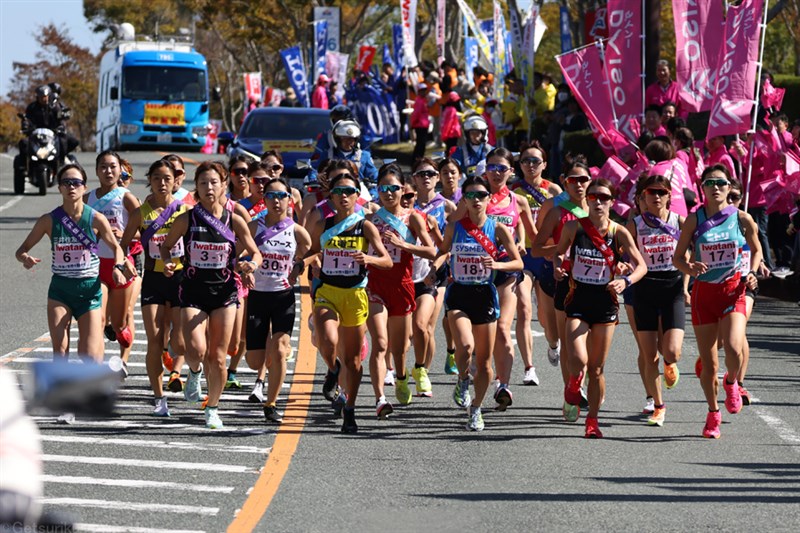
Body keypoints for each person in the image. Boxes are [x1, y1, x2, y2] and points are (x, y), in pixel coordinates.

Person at [159, 161, 263, 429]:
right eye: (203, 183)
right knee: (195, 349)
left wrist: (250, 264)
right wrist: (169, 262)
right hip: (193, 289)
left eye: (214, 182)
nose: (208, 188)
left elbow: (256, 252)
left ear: (223, 185)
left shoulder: (235, 219)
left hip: (225, 291)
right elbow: (166, 246)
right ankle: (193, 372)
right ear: (196, 187)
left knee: (218, 355)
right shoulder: (187, 218)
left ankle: (213, 407)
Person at [673, 165, 762, 439]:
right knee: (709, 364)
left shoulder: (742, 218)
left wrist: (752, 273)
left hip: (733, 290)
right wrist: (690, 268)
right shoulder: (693, 220)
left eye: (721, 183)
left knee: (734, 348)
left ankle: (732, 381)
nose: (716, 188)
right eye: (710, 183)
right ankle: (713, 413)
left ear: (728, 187)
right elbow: (678, 259)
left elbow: (757, 250)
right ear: (703, 188)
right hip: (704, 295)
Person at [555, 178, 647, 438]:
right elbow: (560, 253)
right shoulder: (574, 227)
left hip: (606, 303)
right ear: (588, 201)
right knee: (578, 359)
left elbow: (641, 266)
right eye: (593, 197)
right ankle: (573, 383)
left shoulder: (619, 232)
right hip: (578, 299)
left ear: (612, 202)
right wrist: (559, 265)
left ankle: (592, 421)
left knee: (596, 368)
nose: (598, 202)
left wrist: (625, 281)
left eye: (604, 198)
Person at [15, 164, 133, 363]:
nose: (71, 187)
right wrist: (25, 258)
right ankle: (61, 392)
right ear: (59, 188)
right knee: (60, 352)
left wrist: (117, 267)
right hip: (60, 290)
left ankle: (88, 390)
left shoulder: (96, 219)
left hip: (89, 291)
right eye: (66, 183)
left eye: (76, 183)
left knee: (88, 354)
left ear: (84, 187)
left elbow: (117, 248)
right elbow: (21, 249)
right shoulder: (49, 220)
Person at [307, 170, 393, 433]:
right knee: (327, 339)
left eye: (349, 192)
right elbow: (310, 253)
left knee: (354, 361)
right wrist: (313, 262)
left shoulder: (365, 225)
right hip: (328, 291)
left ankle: (350, 409)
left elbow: (386, 260)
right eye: (338, 192)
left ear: (357, 196)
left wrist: (369, 260)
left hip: (355, 294)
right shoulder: (324, 224)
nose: (343, 196)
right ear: (330, 196)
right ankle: (333, 369)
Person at [438, 176, 523, 430]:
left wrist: (497, 264)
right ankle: (463, 378)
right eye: (471, 195)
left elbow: (518, 262)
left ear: (489, 199)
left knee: (485, 362)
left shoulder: (498, 229)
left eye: (482, 195)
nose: (477, 200)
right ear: (463, 199)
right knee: (465, 345)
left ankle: (476, 407)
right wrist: (436, 265)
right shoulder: (454, 227)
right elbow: (443, 250)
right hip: (459, 293)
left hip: (485, 294)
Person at [120, 159, 189, 417]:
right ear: (150, 179)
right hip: (153, 279)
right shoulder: (140, 212)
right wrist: (125, 262)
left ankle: (179, 360)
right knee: (154, 340)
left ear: (175, 181)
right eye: (157, 178)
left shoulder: (185, 210)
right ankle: (159, 397)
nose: (162, 183)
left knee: (180, 343)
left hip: (181, 279)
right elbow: (123, 245)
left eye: (167, 178)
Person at [365, 164, 436, 417]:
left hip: (403, 285)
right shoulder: (371, 219)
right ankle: (380, 398)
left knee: (399, 347)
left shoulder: (413, 217)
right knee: (380, 343)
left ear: (402, 189)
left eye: (394, 188)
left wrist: (404, 245)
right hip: (376, 285)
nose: (388, 193)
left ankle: (404, 375)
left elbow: (430, 251)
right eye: (383, 188)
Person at [242, 177, 311, 423]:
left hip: (283, 296)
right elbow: (237, 254)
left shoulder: (295, 230)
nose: (276, 201)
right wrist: (244, 269)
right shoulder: (253, 227)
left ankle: (271, 403)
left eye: (282, 196)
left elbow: (309, 248)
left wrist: (298, 265)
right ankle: (267, 365)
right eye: (271, 196)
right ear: (265, 199)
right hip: (258, 296)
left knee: (280, 350)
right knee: (254, 360)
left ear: (289, 200)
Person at [626, 174, 688, 427]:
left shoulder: (679, 221)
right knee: (649, 353)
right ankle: (659, 406)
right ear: (644, 197)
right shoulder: (635, 224)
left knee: (671, 351)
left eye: (661, 192)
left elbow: (691, 249)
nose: (656, 196)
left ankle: (670, 364)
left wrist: (686, 282)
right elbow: (622, 250)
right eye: (651, 192)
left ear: (669, 196)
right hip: (644, 288)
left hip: (672, 287)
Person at [532, 155, 591, 398]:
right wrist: (559, 251)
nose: (578, 184)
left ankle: (582, 386)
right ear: (564, 182)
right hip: (560, 278)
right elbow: (537, 247)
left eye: (583, 179)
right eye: (573, 180)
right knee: (562, 337)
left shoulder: (600, 208)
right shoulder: (556, 209)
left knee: (586, 343)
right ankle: (572, 389)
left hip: (593, 283)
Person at [86, 150, 141, 377]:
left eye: (112, 167)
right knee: (97, 320)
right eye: (103, 167)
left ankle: (123, 353)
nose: (108, 171)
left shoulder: (126, 197)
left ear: (120, 170)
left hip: (120, 265)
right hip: (95, 265)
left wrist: (124, 234)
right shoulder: (88, 198)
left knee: (119, 324)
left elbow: (144, 232)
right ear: (97, 170)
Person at [511, 142, 563, 377]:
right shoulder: (513, 191)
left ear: (544, 164)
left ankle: (553, 344)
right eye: (525, 161)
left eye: (535, 161)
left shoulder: (554, 191)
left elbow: (564, 223)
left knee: (546, 317)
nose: (530, 165)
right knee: (524, 306)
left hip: (547, 255)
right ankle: (529, 367)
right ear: (519, 165)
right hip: (523, 256)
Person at [15, 84, 78, 176]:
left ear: (49, 96)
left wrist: (60, 127)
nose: (43, 99)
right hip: (35, 135)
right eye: (41, 97)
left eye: (45, 97)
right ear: (37, 97)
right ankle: (24, 166)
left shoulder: (55, 107)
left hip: (53, 134)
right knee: (23, 143)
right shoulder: (32, 107)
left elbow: (61, 119)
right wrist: (25, 127)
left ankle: (61, 160)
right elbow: (26, 119)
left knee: (68, 141)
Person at [452, 114, 494, 178]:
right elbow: (454, 163)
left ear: (483, 134)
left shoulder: (491, 150)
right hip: (467, 183)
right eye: (472, 133)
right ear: (468, 135)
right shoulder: (461, 150)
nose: (475, 135)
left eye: (478, 133)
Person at [411, 83, 432, 161]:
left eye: (424, 90)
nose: (424, 92)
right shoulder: (419, 101)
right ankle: (416, 160)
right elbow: (416, 113)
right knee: (420, 144)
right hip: (420, 125)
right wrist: (413, 123)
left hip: (424, 125)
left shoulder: (423, 100)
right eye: (422, 90)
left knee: (422, 144)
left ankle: (418, 159)